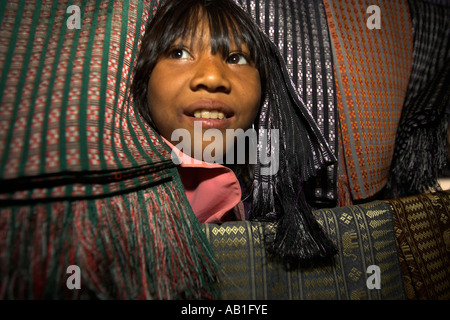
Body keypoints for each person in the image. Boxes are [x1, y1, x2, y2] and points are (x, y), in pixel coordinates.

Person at [132, 0, 337, 263]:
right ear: (144, 78)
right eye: (179, 53)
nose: (212, 77)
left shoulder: (270, 197)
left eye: (235, 58)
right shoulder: (120, 208)